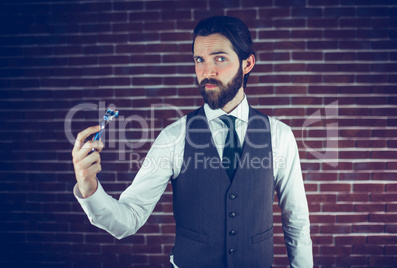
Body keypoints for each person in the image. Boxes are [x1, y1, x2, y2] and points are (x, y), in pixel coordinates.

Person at [72, 16, 313, 268]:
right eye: (200, 60)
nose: (207, 71)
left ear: (247, 63)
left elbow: (296, 220)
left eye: (220, 58)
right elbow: (128, 220)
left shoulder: (280, 135)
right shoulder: (173, 137)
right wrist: (90, 189)